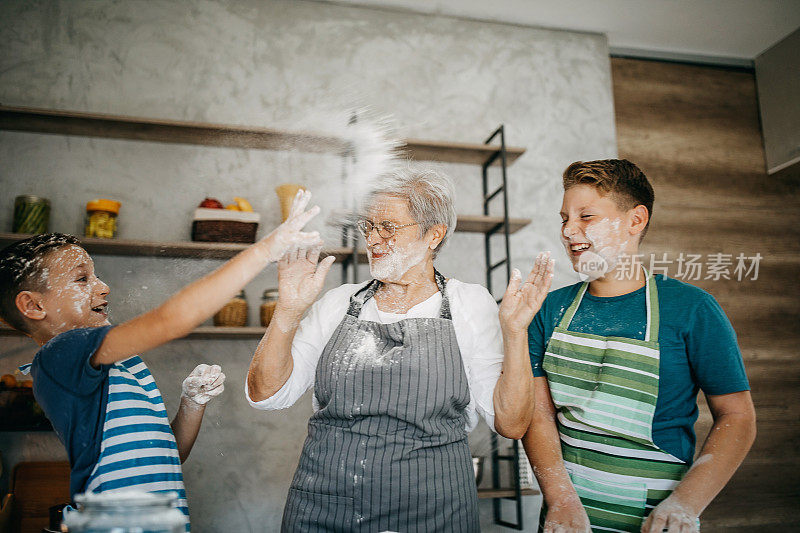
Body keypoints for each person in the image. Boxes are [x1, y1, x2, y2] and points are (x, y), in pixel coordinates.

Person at [246, 168, 553, 532]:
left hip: (434, 511)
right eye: (368, 226)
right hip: (324, 507)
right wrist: (288, 311)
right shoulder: (337, 303)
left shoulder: (469, 304)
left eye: (388, 227)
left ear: (433, 234)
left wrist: (515, 332)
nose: (373, 239)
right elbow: (266, 394)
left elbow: (512, 422)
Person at [0, 191, 323, 531]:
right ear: (34, 307)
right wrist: (263, 251)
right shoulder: (60, 354)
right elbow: (172, 320)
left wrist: (192, 403)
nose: (104, 287)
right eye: (83, 279)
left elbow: (169, 453)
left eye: (96, 275)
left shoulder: (117, 365)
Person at [524, 159, 756, 533]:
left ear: (635, 221)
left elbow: (737, 416)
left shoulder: (691, 309)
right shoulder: (548, 308)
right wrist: (561, 498)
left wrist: (685, 503)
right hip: (565, 519)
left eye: (586, 217)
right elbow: (538, 414)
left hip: (657, 520)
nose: (568, 231)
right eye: (564, 218)